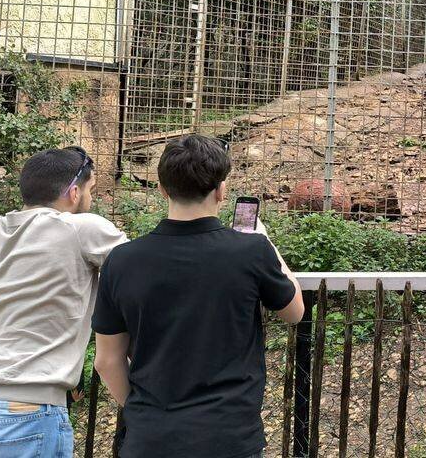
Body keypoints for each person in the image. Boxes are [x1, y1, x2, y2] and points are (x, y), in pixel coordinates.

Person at [91, 135, 305, 458]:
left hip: (150, 440)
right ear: (221, 190)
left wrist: (143, 411)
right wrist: (266, 242)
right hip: (229, 439)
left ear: (162, 189)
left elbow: (107, 361)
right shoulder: (250, 252)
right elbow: (295, 312)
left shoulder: (121, 261)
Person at [0, 146, 126, 458]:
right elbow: (149, 270)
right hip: (21, 415)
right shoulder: (80, 228)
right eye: (90, 190)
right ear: (74, 192)